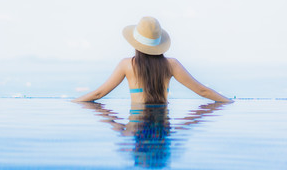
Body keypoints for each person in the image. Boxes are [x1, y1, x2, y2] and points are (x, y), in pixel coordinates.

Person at [72, 16, 233, 103]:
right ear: (158, 42)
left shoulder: (126, 65)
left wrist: (72, 103)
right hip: (163, 122)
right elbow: (203, 91)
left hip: (136, 122)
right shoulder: (171, 65)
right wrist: (230, 102)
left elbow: (99, 93)